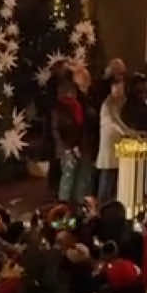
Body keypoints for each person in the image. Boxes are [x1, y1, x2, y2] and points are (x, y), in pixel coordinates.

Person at [53, 69, 91, 205]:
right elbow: (60, 130)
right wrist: (69, 148)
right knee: (68, 176)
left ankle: (76, 203)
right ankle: (63, 205)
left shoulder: (77, 106)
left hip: (77, 146)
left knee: (78, 175)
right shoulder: (62, 109)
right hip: (67, 148)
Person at [96, 75, 134, 206]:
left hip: (116, 147)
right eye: (119, 89)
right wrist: (127, 133)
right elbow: (114, 123)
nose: (121, 92)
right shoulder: (108, 104)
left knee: (112, 179)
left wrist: (131, 133)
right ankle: (102, 206)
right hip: (108, 147)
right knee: (107, 179)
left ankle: (110, 206)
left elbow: (119, 122)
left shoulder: (115, 103)